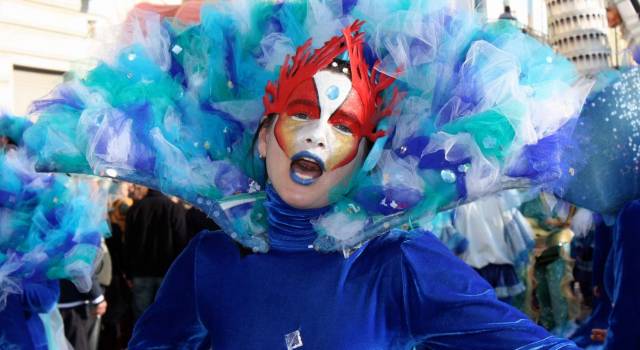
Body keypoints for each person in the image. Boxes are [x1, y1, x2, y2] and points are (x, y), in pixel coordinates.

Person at [22, 1, 597, 348]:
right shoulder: (210, 264)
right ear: (264, 136)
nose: (319, 134)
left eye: (342, 124)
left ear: (363, 161)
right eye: (301, 114)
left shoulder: (396, 266)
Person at [123, 187, 188, 321]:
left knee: (142, 317)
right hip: (167, 273)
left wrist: (128, 273)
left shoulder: (135, 209)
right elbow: (181, 243)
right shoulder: (174, 209)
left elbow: (128, 244)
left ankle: (143, 341)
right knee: (165, 317)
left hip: (141, 272)